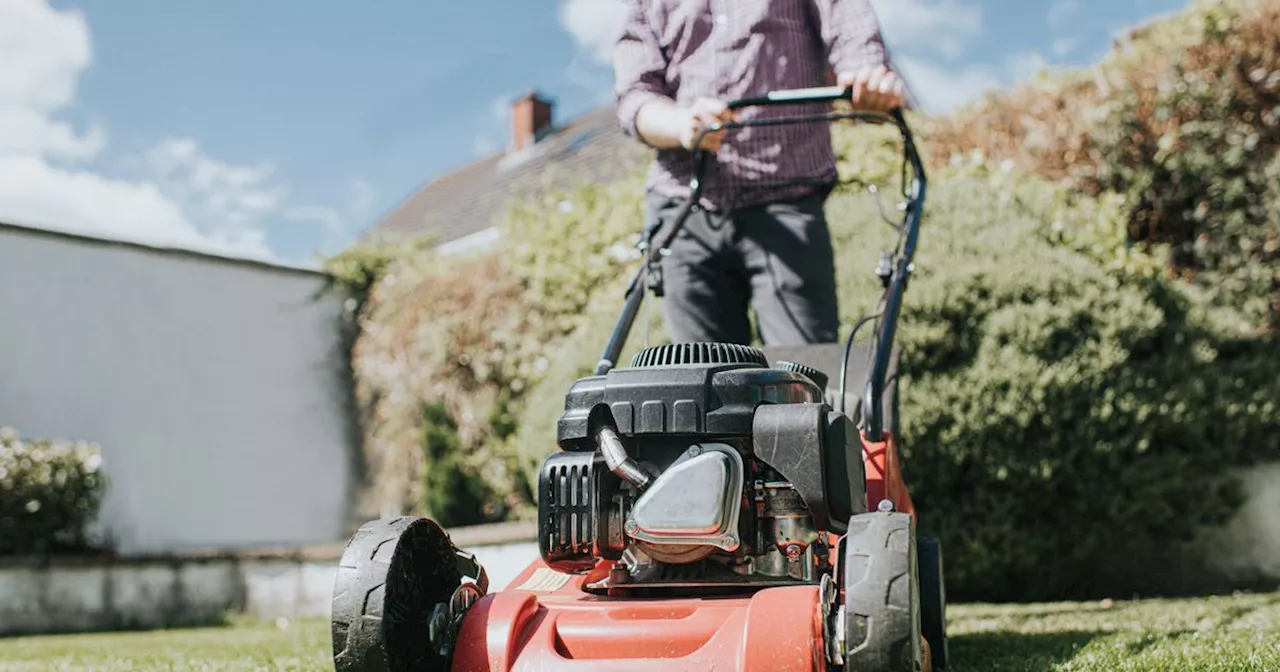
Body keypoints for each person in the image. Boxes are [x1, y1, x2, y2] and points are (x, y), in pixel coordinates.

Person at [613, 0, 907, 347]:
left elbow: (850, 28)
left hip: (787, 199)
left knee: (801, 376)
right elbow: (635, 96)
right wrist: (681, 123)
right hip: (682, 208)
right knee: (702, 383)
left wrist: (865, 74)